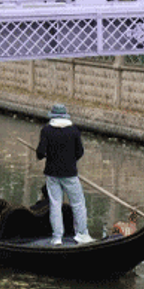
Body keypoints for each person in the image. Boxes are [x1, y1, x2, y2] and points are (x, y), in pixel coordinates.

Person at [35, 103, 92, 245]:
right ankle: (82, 234)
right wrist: (70, 161)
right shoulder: (74, 131)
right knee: (78, 204)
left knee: (55, 205)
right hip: (70, 173)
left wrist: (46, 155)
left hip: (52, 174)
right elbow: (80, 152)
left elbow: (40, 153)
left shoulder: (47, 130)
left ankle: (57, 238)